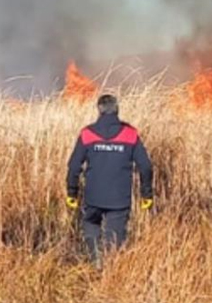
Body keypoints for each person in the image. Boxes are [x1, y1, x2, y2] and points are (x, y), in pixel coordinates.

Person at [66, 94, 154, 268]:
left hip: (93, 197)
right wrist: (147, 195)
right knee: (115, 241)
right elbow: (145, 166)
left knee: (91, 225)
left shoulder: (87, 134)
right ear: (117, 109)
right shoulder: (130, 134)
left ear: (99, 110)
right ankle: (110, 274)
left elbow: (74, 166)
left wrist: (72, 192)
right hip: (119, 200)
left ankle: (96, 263)